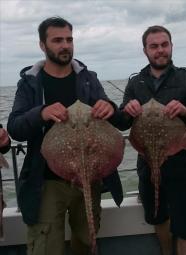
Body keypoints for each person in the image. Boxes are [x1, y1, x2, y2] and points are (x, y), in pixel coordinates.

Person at [7, 16, 123, 255]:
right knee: (46, 245)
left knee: (86, 238)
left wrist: (109, 106)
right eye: (57, 40)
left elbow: (116, 120)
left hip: (88, 176)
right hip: (46, 181)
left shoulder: (88, 79)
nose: (65, 45)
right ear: (43, 45)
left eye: (69, 39)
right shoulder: (30, 83)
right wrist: (41, 112)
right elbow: (15, 127)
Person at [112, 25, 186, 255]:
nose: (160, 50)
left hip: (181, 166)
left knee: (185, 227)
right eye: (154, 46)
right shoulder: (136, 82)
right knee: (157, 217)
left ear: (171, 46)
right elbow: (123, 123)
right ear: (145, 50)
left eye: (164, 45)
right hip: (147, 165)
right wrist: (127, 109)